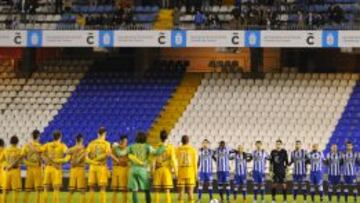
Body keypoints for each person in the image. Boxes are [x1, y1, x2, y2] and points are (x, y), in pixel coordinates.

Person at [114, 132, 166, 203]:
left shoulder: (131, 146)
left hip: (133, 169)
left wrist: (116, 147)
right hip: (142, 170)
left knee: (134, 190)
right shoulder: (147, 146)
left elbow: (120, 153)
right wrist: (163, 146)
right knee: (147, 189)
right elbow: (156, 152)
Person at [86, 127, 113, 203]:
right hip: (101, 167)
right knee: (102, 188)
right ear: (104, 134)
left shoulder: (91, 143)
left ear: (98, 134)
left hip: (92, 167)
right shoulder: (106, 143)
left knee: (91, 188)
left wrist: (93, 162)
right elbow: (108, 154)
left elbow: (86, 157)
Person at [42, 131, 69, 203]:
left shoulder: (47, 145)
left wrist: (46, 160)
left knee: (45, 188)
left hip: (47, 168)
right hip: (57, 168)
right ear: (60, 137)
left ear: (53, 137)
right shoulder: (62, 145)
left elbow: (40, 153)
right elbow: (68, 155)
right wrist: (61, 160)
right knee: (56, 189)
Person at [152, 130, 178, 203]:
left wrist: (152, 171)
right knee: (167, 190)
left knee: (157, 191)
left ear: (160, 137)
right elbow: (173, 160)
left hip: (158, 170)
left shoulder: (156, 147)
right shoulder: (170, 147)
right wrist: (176, 172)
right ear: (167, 137)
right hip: (167, 171)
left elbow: (153, 161)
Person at [22, 130, 43, 203]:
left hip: (29, 168)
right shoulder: (40, 146)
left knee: (27, 190)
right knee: (38, 189)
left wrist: (27, 163)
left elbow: (23, 158)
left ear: (32, 136)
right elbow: (41, 157)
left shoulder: (26, 146)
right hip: (37, 168)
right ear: (38, 136)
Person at [1, 136, 22, 203]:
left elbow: (1, 160)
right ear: (17, 142)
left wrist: (5, 166)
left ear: (10, 142)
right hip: (15, 171)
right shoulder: (19, 150)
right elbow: (20, 161)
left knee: (5, 190)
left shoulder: (6, 150)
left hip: (7, 171)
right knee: (15, 191)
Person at [176, 135, 197, 203]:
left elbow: (174, 159)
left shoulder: (178, 149)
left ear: (181, 141)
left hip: (181, 172)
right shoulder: (192, 149)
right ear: (188, 141)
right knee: (190, 192)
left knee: (181, 192)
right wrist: (196, 174)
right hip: (190, 172)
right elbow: (195, 163)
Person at [67, 134, 87, 203]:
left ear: (76, 140)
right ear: (82, 139)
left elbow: (66, 152)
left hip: (73, 169)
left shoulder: (72, 149)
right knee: (82, 190)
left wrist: (71, 161)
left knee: (71, 190)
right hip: (80, 169)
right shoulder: (84, 149)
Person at [111, 135, 129, 203]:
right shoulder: (115, 148)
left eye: (126, 142)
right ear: (120, 141)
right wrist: (118, 160)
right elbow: (110, 154)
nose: (125, 143)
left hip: (124, 171)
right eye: (124, 142)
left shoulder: (128, 149)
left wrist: (125, 161)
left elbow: (128, 159)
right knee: (115, 190)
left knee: (124, 190)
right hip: (116, 170)